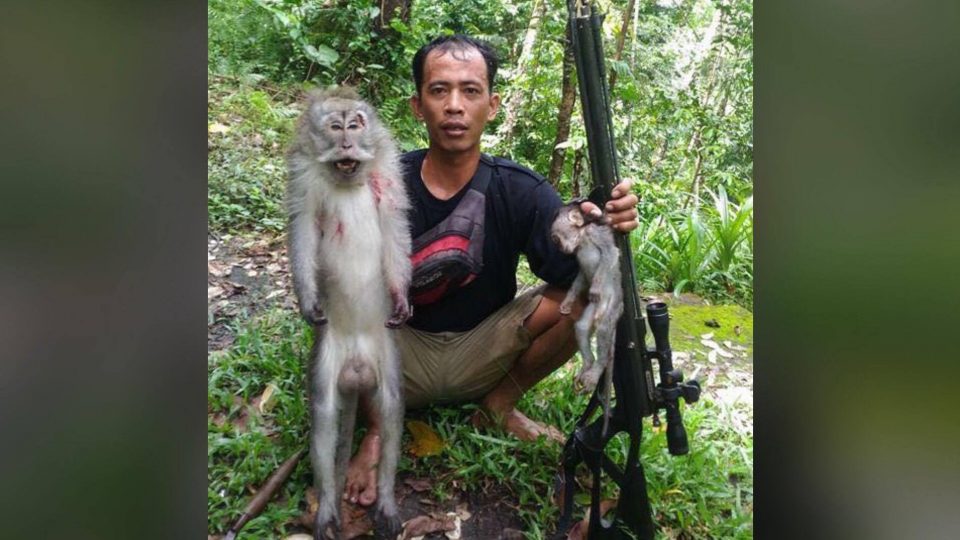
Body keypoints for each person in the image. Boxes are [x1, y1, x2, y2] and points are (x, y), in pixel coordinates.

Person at [343, 35, 639, 506]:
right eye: (439, 91)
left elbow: (575, 271)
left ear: (493, 104)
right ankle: (378, 429)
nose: (454, 106)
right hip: (398, 356)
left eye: (470, 91)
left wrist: (603, 227)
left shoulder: (519, 189)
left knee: (591, 293)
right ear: (418, 106)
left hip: (484, 352)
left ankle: (498, 407)